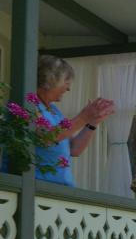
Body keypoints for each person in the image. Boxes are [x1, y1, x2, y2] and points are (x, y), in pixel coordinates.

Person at [34, 55, 114, 186]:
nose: (68, 88)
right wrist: (83, 117)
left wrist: (93, 122)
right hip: (38, 186)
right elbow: (47, 138)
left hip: (60, 188)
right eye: (66, 82)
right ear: (50, 80)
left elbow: (74, 149)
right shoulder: (30, 105)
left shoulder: (54, 110)